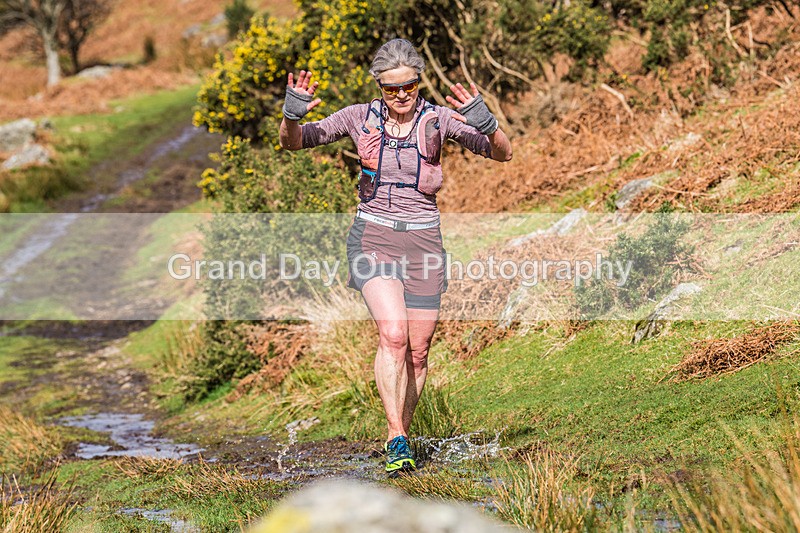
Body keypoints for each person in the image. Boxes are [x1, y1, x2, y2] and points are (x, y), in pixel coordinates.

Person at [279, 38, 512, 475]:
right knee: (393, 334)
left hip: (424, 243)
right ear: (379, 87)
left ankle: (399, 439)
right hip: (374, 236)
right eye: (391, 89)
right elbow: (294, 143)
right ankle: (396, 436)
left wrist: (485, 120)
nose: (401, 96)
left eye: (409, 86)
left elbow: (503, 152)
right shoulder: (358, 117)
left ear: (418, 83)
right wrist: (292, 116)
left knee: (419, 352)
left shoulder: (439, 120)